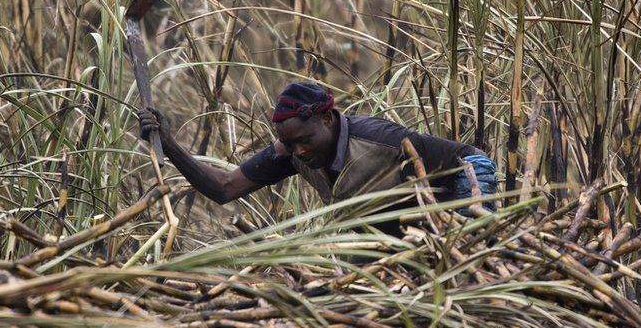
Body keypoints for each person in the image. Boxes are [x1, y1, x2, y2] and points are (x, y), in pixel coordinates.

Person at [138, 82, 496, 236]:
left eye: (304, 141)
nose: (299, 152)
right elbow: (224, 188)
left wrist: (466, 231)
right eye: (289, 145)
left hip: (433, 239)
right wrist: (169, 145)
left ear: (326, 119)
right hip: (382, 254)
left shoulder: (380, 140)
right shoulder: (293, 153)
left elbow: (473, 160)